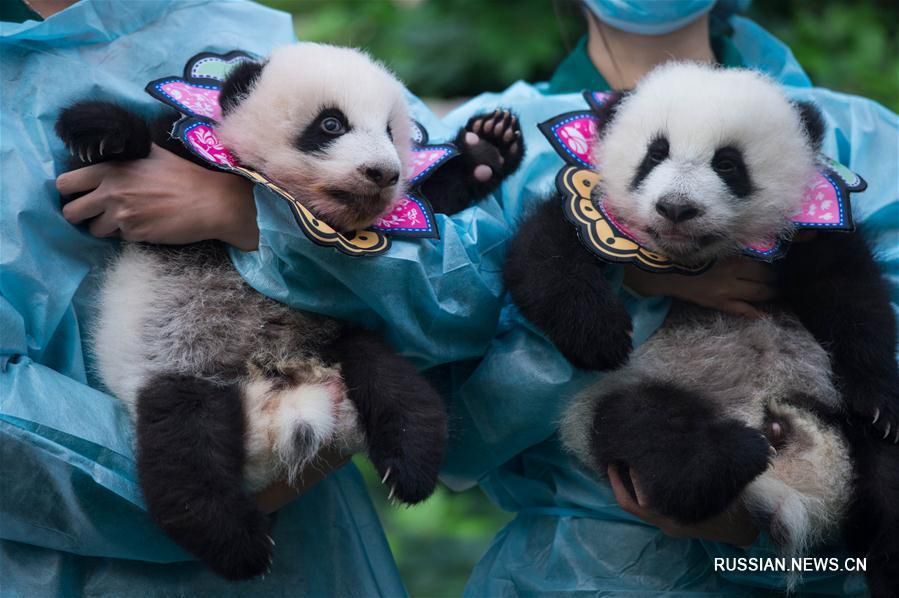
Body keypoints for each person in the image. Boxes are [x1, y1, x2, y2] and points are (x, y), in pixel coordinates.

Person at [443, 1, 897, 595]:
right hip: (578, 569)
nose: (679, 198)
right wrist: (634, 285)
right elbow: (455, 439)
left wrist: (764, 542)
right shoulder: (496, 141)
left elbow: (867, 341)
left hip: (824, 557)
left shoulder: (866, 141)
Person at [0, 1, 405, 595]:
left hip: (305, 532)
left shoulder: (246, 30)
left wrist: (244, 213)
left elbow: (440, 270)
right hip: (57, 549)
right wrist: (202, 479)